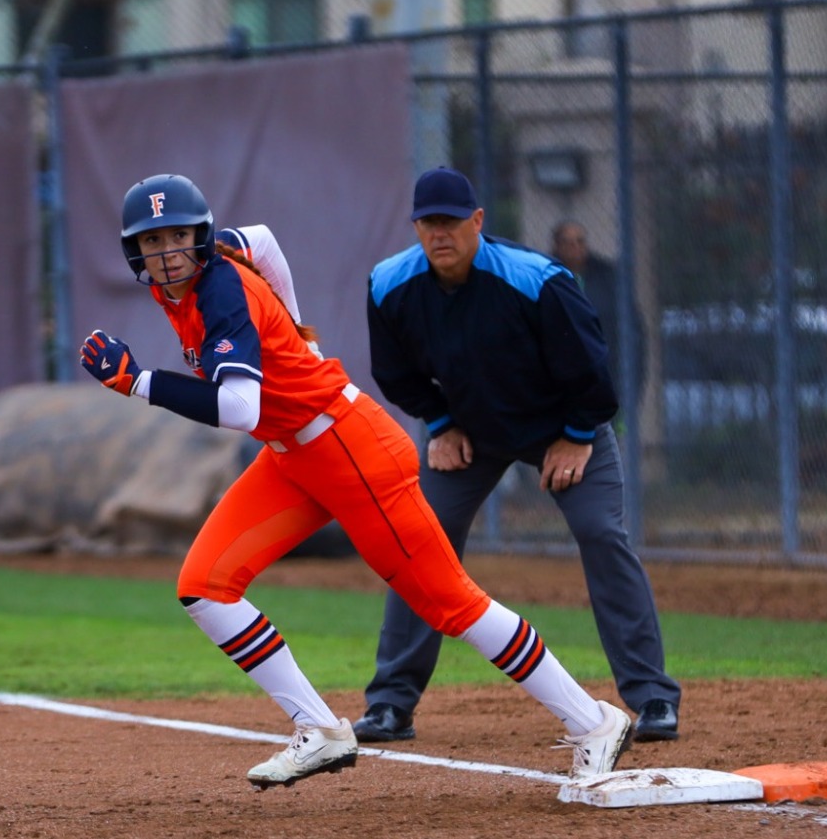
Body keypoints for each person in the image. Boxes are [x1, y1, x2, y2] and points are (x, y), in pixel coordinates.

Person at [79, 174, 634, 789]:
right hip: (293, 456)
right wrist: (293, 324)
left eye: (179, 236)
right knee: (205, 586)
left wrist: (138, 381)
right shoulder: (195, 274)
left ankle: (593, 721)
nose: (168, 252)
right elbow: (261, 238)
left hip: (349, 449)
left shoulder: (219, 291)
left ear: (200, 237)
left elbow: (240, 408)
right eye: (153, 241)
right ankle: (319, 730)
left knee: (451, 603)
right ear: (135, 252)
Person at [353, 168, 682, 746]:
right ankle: (389, 705)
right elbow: (395, 373)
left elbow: (594, 371)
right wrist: (442, 423)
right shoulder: (389, 284)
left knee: (601, 531)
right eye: (429, 223)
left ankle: (652, 697)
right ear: (416, 228)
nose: (441, 234)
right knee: (418, 540)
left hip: (563, 426)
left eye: (452, 222)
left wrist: (579, 434)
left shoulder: (537, 279)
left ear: (478, 222)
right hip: (472, 433)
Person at [550, 218, 646, 407]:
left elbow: (632, 328)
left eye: (580, 241)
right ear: (557, 246)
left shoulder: (606, 277)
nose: (575, 248)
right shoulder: (545, 276)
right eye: (568, 243)